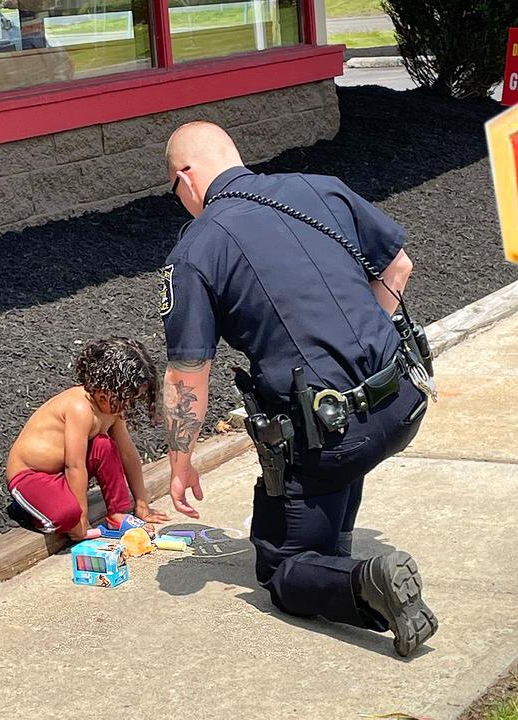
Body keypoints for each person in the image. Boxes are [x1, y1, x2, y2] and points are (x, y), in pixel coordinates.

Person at [159, 121, 438, 657]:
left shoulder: (195, 251)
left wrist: (180, 460)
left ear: (185, 179)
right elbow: (398, 264)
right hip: (402, 401)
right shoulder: (320, 188)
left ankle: (365, 584)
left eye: (175, 193)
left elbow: (187, 372)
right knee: (332, 459)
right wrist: (360, 358)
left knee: (279, 565)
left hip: (333, 439)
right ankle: (336, 550)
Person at [6, 337, 170, 541]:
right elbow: (74, 465)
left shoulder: (112, 410)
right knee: (68, 517)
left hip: (61, 474)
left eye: (131, 400)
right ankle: (26, 510)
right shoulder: (80, 407)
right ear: (103, 386)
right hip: (31, 477)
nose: (126, 405)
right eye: (123, 397)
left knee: (105, 445)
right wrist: (82, 518)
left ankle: (118, 514)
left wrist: (142, 504)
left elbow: (128, 454)